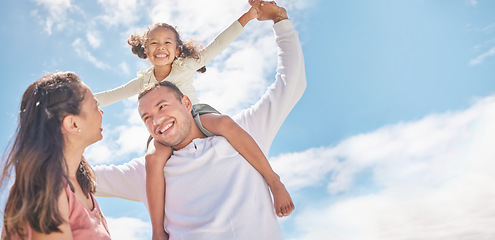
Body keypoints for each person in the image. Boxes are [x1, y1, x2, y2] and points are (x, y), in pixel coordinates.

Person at [94, 1, 305, 239]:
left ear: (177, 49)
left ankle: (273, 179)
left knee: (224, 123)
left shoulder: (189, 72)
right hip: (162, 156)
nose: (160, 47)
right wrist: (71, 102)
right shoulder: (144, 84)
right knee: (152, 159)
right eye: (153, 43)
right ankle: (156, 230)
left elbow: (219, 45)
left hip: (200, 115)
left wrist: (251, 16)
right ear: (145, 50)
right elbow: (110, 96)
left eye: (167, 42)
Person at [0, 72, 110, 239]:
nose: (101, 112)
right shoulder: (45, 185)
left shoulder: (81, 187)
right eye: (95, 106)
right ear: (73, 124)